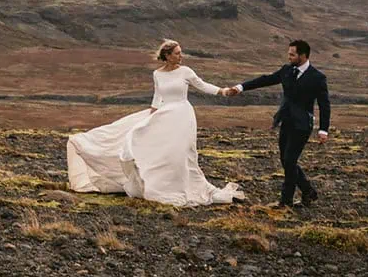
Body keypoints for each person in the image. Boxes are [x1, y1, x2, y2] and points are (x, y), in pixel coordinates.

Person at [67, 40, 244, 207]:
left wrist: (222, 91)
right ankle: (156, 182)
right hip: (164, 113)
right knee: (145, 141)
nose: (180, 57)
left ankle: (183, 184)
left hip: (182, 115)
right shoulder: (157, 74)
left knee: (182, 152)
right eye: (177, 54)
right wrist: (150, 115)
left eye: (181, 53)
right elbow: (158, 95)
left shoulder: (186, 72)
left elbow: (202, 85)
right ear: (167, 55)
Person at [222, 39, 331, 209]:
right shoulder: (287, 70)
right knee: (286, 160)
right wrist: (241, 87)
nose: (289, 57)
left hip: (302, 125)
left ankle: (285, 202)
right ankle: (308, 191)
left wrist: (324, 129)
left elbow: (324, 105)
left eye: (292, 54)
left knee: (289, 160)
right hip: (285, 122)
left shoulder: (317, 77)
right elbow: (265, 80)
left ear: (302, 56)